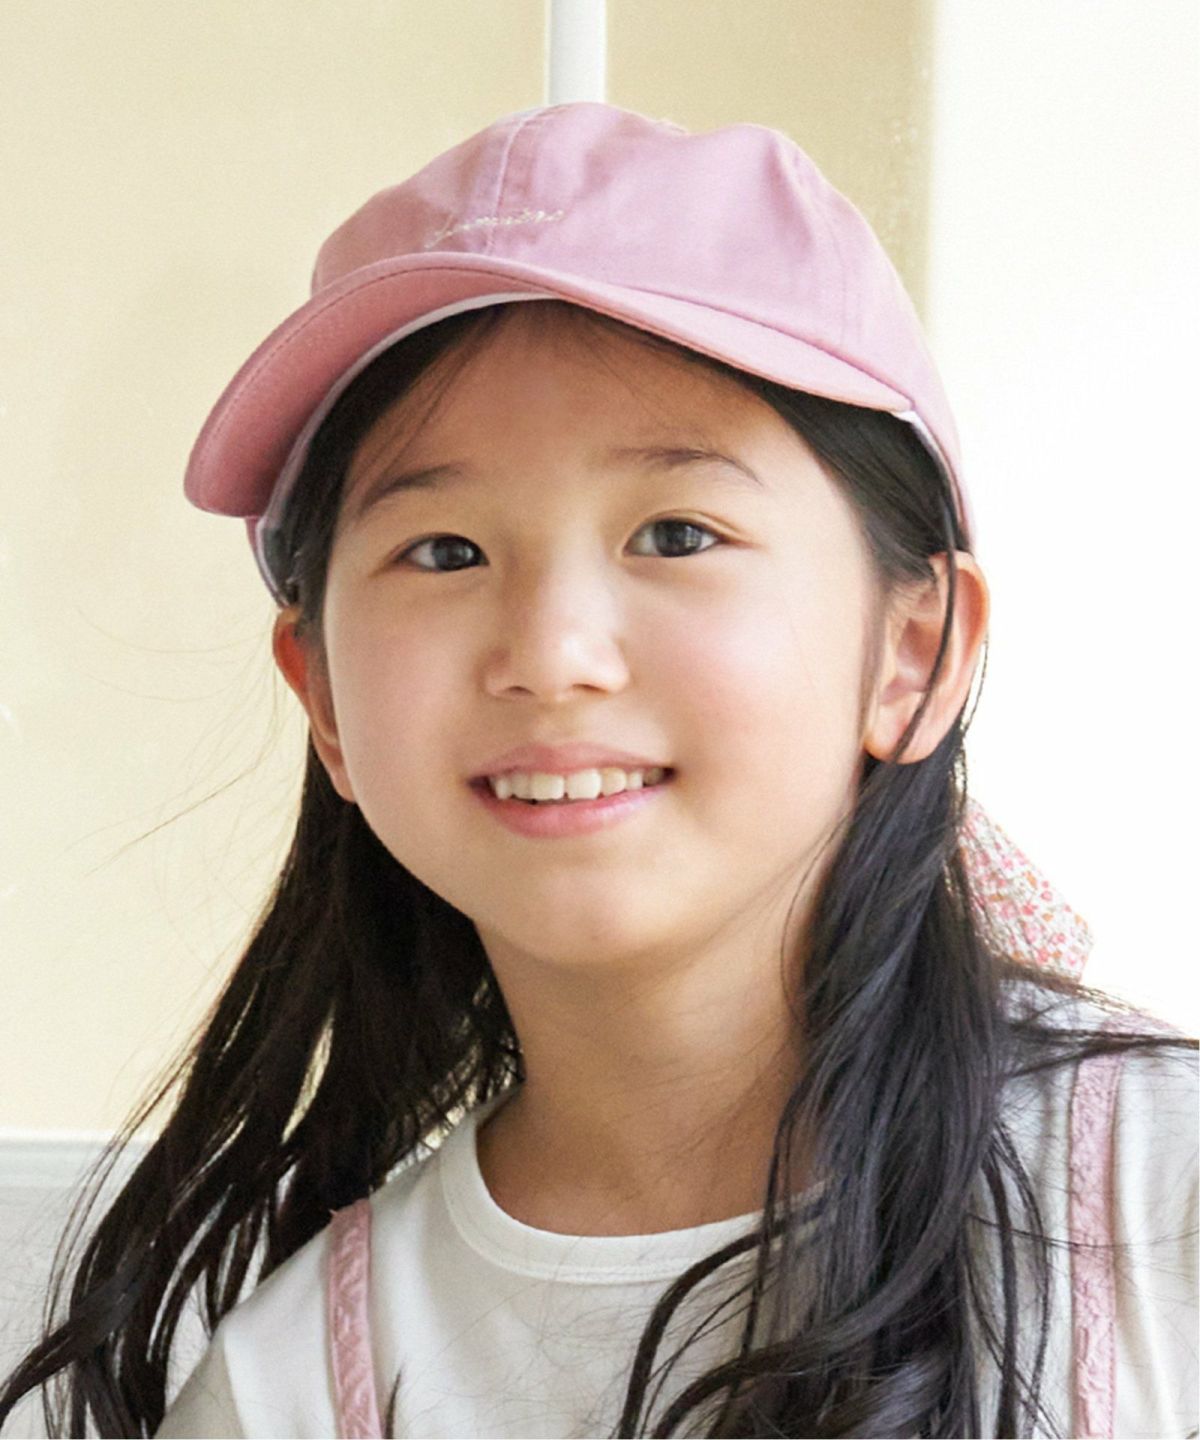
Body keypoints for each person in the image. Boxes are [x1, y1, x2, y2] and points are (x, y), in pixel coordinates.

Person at [1, 102, 1195, 1440]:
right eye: (444, 552)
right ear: (323, 694)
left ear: (914, 650)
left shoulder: (1162, 1202)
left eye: (676, 533)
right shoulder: (294, 1388)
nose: (552, 655)